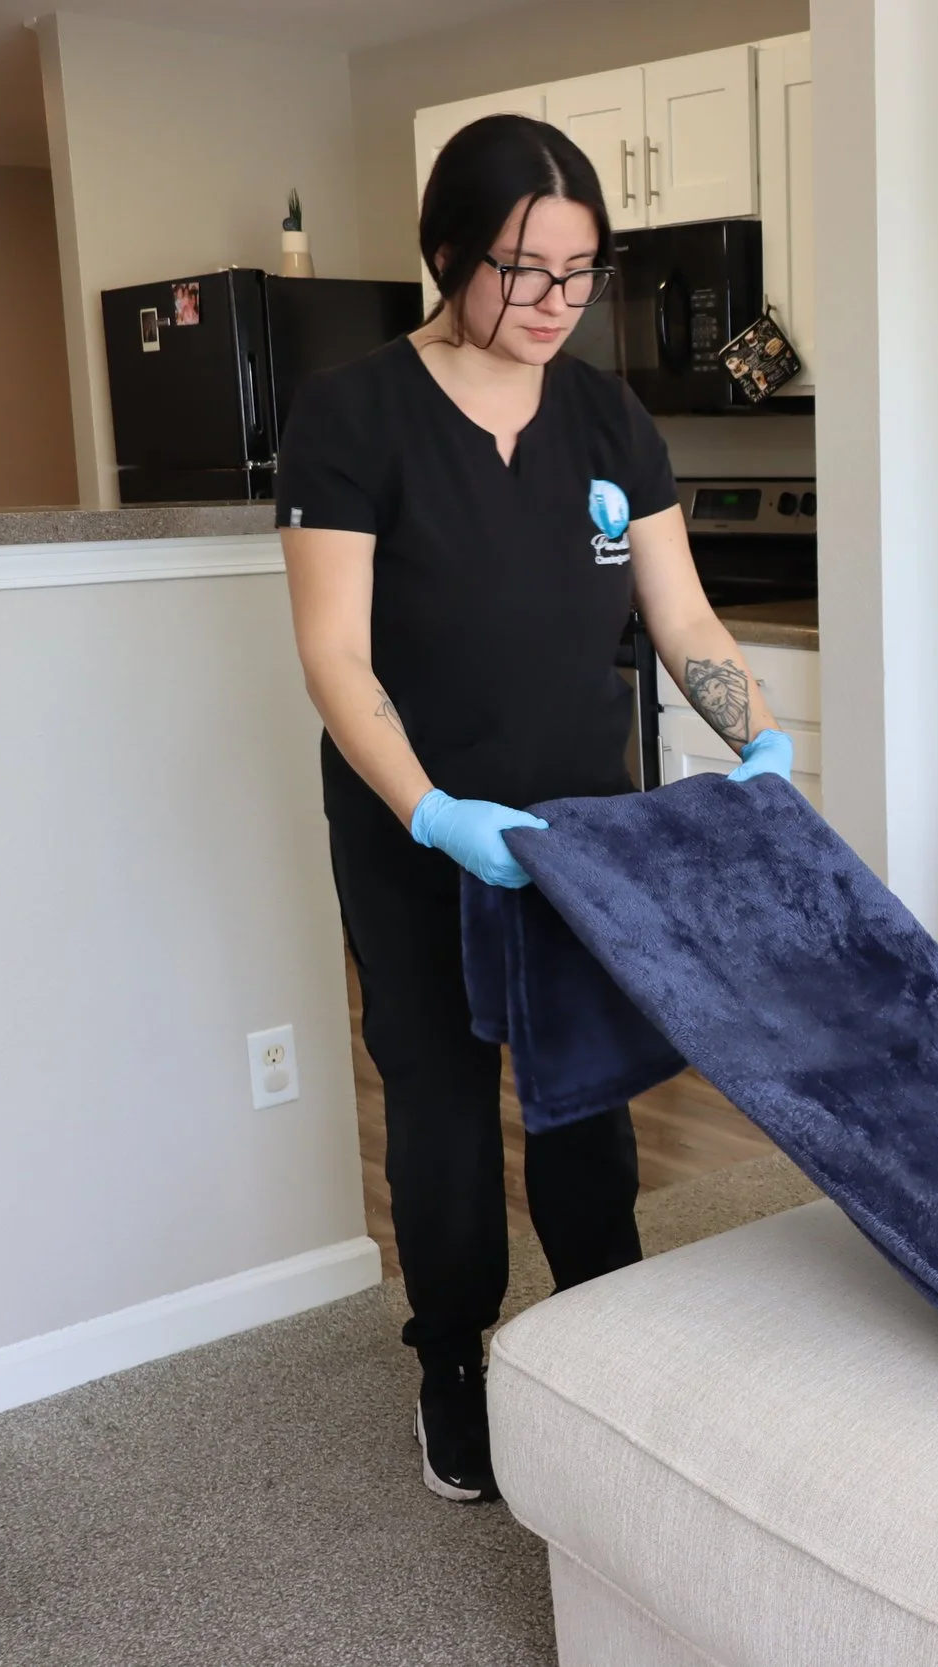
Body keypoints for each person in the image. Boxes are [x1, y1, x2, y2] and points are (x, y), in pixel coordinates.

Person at [277, 114, 792, 1503]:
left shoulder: (611, 418)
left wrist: (760, 742)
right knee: (443, 1107)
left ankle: (603, 1328)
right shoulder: (352, 414)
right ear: (450, 254)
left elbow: (681, 618)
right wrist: (438, 813)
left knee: (583, 1096)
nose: (554, 304)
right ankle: (454, 1356)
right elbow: (335, 653)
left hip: (587, 833)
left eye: (581, 274)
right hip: (419, 829)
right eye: (523, 271)